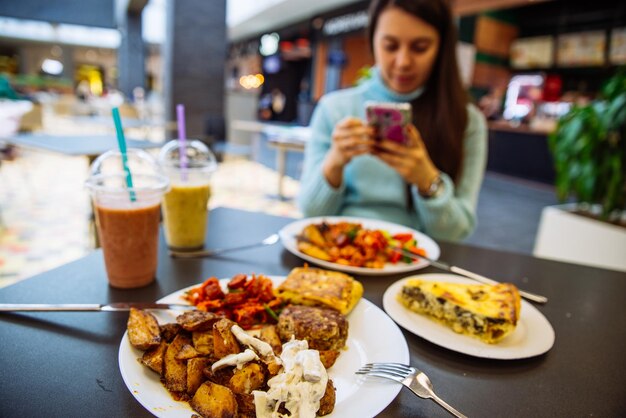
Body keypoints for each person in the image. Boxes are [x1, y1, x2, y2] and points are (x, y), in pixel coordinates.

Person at [298, 0, 487, 241]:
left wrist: (427, 180)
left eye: (420, 47)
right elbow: (310, 213)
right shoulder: (334, 108)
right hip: (339, 253)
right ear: (373, 41)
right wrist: (335, 162)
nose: (403, 62)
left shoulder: (467, 121)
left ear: (442, 47)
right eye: (390, 46)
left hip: (416, 262)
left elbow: (456, 233)